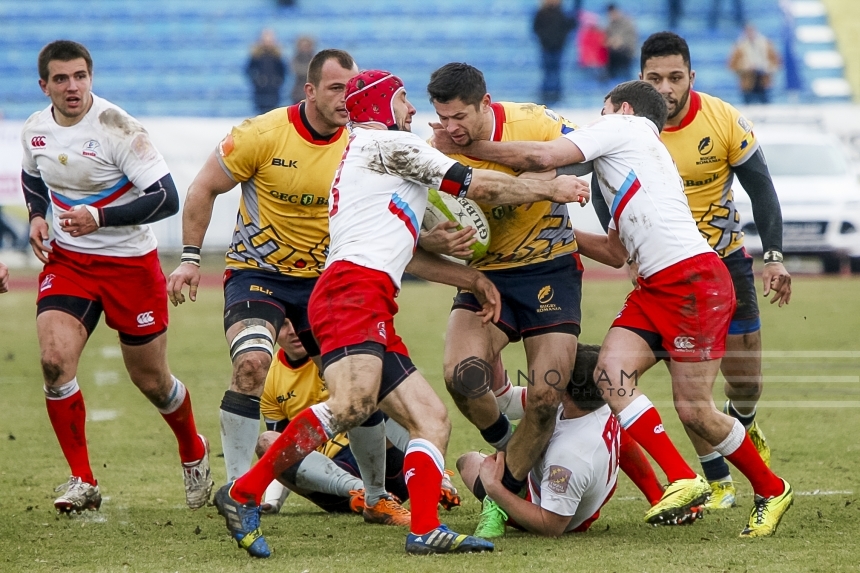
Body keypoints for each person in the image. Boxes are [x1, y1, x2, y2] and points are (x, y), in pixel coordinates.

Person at [211, 69, 591, 558]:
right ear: (378, 107)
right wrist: (550, 189)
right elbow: (480, 187)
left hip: (369, 296)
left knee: (431, 419)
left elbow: (408, 246)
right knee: (351, 405)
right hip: (351, 292)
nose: (413, 112)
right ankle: (243, 493)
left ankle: (425, 528)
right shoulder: (386, 145)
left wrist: (470, 275)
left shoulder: (375, 155)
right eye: (404, 101)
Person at [435, 79, 794, 538]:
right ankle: (683, 478)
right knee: (610, 375)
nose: (594, 121)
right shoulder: (627, 160)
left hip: (692, 281)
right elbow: (614, 250)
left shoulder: (625, 126)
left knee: (695, 411)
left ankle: (771, 488)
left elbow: (544, 157)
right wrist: (557, 234)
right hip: (653, 286)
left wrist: (467, 145)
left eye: (600, 110)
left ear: (621, 108)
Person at [167, 48, 417, 524]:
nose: (347, 98)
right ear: (309, 90)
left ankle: (377, 494)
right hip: (258, 275)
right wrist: (191, 260)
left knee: (356, 386)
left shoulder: (364, 143)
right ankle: (243, 494)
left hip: (328, 280)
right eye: (336, 88)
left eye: (353, 88)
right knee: (251, 365)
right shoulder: (260, 135)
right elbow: (203, 188)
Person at [20, 40, 212, 513]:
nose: (72, 87)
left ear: (91, 77)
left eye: (80, 76)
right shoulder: (35, 129)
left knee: (152, 382)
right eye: (61, 79)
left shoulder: (117, 127)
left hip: (130, 267)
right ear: (44, 85)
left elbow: (165, 197)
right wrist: (37, 214)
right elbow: (32, 177)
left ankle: (193, 448)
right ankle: (82, 480)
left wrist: (100, 217)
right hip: (70, 264)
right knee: (53, 361)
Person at [427, 62, 587, 539]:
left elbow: (584, 158)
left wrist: (480, 150)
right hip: (487, 277)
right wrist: (437, 241)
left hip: (550, 271)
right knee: (462, 377)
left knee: (544, 397)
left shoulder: (534, 121)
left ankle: (503, 497)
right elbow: (414, 228)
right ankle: (508, 452)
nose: (450, 128)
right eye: (442, 117)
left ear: (485, 103)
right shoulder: (432, 147)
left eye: (459, 117)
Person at [639, 31, 791, 510]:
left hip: (726, 261)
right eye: (654, 78)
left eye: (675, 77)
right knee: (690, 381)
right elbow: (602, 190)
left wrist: (774, 256)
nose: (665, 88)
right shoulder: (627, 126)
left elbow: (761, 188)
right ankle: (718, 481)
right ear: (640, 78)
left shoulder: (722, 118)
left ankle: (740, 422)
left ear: (692, 77)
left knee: (745, 379)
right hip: (667, 270)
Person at [460, 344, 696, 538]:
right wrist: (493, 348)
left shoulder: (569, 456)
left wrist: (496, 489)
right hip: (580, 489)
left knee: (468, 462)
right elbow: (508, 401)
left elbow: (551, 525)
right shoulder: (602, 400)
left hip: (563, 515)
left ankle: (495, 507)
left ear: (563, 388)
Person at [257, 321, 460, 519]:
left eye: (296, 321)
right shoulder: (271, 379)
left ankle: (435, 477)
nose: (293, 331)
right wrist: (273, 502)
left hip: (386, 462)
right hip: (335, 484)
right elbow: (282, 452)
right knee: (268, 442)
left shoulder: (336, 353)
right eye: (283, 325)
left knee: (382, 396)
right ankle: (367, 495)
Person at [532, 0, 578, 105]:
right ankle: (545, 97)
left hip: (558, 48)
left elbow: (569, 26)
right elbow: (536, 28)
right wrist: (545, 40)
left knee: (557, 73)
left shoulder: (562, 13)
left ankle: (557, 96)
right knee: (547, 73)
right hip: (546, 48)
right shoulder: (541, 13)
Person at [728, 24, 781, 104]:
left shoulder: (766, 44)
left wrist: (765, 67)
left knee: (766, 107)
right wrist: (745, 67)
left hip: (763, 80)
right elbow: (732, 65)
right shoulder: (739, 47)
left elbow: (776, 62)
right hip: (747, 82)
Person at [245, 29, 288, 115]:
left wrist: (277, 81)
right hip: (260, 92)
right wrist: (257, 81)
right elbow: (249, 70)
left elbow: (283, 71)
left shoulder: (277, 56)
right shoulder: (256, 56)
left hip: (274, 91)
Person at [605, 4, 638, 80]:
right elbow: (607, 39)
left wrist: (620, 42)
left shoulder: (628, 23)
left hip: (627, 51)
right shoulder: (610, 25)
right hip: (613, 52)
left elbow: (631, 40)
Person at [290, 36, 315, 104]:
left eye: (306, 46)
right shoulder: (295, 58)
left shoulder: (315, 58)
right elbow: (295, 69)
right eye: (303, 46)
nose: (304, 48)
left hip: (312, 92)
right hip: (298, 92)